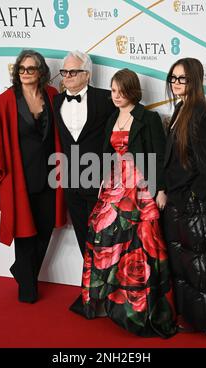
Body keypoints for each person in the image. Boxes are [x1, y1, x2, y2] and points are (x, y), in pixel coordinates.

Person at [70, 68, 177, 338]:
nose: (116, 96)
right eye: (113, 91)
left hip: (140, 186)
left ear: (132, 90)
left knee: (140, 241)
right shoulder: (112, 117)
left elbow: (159, 155)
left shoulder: (148, 118)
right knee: (102, 233)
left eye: (121, 91)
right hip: (114, 185)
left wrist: (161, 189)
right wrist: (101, 185)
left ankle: (138, 308)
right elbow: (106, 156)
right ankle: (108, 297)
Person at [0, 49, 66, 303]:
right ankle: (28, 289)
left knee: (45, 228)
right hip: (19, 178)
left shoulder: (51, 95)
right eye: (22, 69)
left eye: (31, 69)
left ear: (41, 72)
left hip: (50, 176)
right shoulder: (5, 101)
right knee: (25, 232)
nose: (25, 73)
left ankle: (21, 270)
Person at [163, 57, 206, 335]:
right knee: (187, 269)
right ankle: (193, 318)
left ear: (195, 81)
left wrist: (196, 197)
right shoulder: (181, 109)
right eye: (173, 78)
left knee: (203, 269)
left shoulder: (200, 111)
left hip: (195, 204)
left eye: (183, 78)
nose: (176, 83)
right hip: (179, 202)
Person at [53, 50, 115, 256]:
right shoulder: (56, 101)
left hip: (99, 181)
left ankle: (104, 286)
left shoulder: (106, 98)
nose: (67, 76)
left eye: (73, 72)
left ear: (87, 74)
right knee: (82, 236)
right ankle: (89, 285)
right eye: (64, 72)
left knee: (104, 237)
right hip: (71, 182)